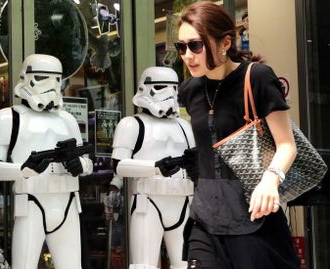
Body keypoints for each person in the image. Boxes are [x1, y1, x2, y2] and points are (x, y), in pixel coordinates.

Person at [175, 2, 299, 269]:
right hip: (206, 218)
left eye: (195, 45)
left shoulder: (257, 78)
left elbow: (287, 145)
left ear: (224, 43)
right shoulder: (190, 90)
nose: (187, 55)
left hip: (255, 216)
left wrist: (270, 181)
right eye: (181, 47)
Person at [0, 54, 93, 269]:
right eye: (43, 77)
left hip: (67, 204)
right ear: (26, 78)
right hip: (31, 204)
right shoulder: (8, 119)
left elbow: (86, 162)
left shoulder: (68, 120)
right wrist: (22, 170)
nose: (52, 86)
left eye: (57, 79)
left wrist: (80, 165)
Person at [112, 66, 197, 269]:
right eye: (160, 87)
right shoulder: (131, 124)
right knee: (144, 266)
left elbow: (194, 160)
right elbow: (119, 165)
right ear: (144, 89)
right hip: (148, 203)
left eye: (174, 88)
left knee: (187, 265)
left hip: (183, 202)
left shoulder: (184, 126)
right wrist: (156, 167)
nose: (169, 94)